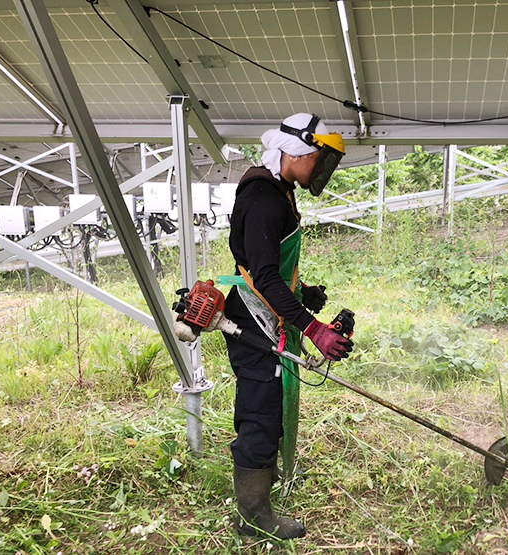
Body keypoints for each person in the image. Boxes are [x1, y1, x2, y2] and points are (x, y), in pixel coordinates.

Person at [222, 113, 353, 539]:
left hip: (269, 312)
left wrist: (304, 296)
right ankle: (253, 519)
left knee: (269, 405)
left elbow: (271, 267)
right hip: (254, 319)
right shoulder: (263, 198)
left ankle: (263, 481)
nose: (319, 169)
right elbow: (262, 276)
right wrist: (313, 328)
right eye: (317, 159)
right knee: (260, 413)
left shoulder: (279, 191)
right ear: (296, 153)